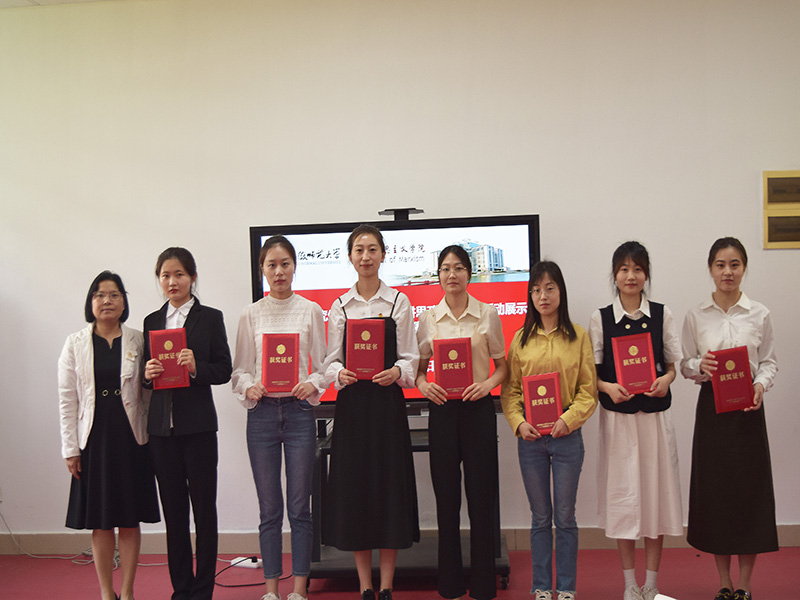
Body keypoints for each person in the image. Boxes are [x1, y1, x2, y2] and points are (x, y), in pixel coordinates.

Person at [322, 224, 420, 600]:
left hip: (387, 407)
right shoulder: (340, 305)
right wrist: (339, 374)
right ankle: (365, 585)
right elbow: (330, 361)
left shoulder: (398, 302)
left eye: (372, 249)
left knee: (389, 490)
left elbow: (410, 358)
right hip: (352, 409)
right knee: (356, 492)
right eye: (359, 249)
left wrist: (397, 372)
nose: (366, 256)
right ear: (350, 257)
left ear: (383, 255)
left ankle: (387, 584)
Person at [680, 237, 778, 600]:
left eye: (735, 264)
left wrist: (760, 385)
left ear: (744, 268)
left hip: (749, 411)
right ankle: (724, 582)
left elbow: (768, 361)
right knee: (716, 496)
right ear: (711, 269)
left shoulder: (760, 313)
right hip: (712, 412)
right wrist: (700, 365)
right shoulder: (696, 315)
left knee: (749, 495)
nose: (728, 272)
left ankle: (745, 585)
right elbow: (685, 364)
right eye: (720, 265)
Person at [232, 235, 327, 600]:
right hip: (262, 416)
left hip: (300, 413)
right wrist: (250, 386)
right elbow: (239, 371)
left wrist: (312, 382)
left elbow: (324, 366)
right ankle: (271, 589)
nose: (279, 271)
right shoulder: (251, 313)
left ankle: (299, 589)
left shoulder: (310, 310)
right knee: (269, 509)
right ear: (262, 270)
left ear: (294, 267)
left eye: (285, 263)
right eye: (271, 265)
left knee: (300, 507)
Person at [588, 242, 682, 600]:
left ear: (646, 275)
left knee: (655, 499)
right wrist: (608, 387)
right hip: (619, 422)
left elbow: (672, 366)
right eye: (624, 269)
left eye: (638, 269)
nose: (631, 276)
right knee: (624, 500)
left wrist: (665, 380)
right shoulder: (601, 318)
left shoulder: (661, 313)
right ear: (615, 275)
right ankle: (630, 584)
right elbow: (592, 374)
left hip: (654, 420)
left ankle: (651, 585)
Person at [59, 271, 160, 600]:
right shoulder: (75, 343)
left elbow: (148, 392)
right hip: (94, 440)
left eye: (114, 295)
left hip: (131, 438)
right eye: (100, 295)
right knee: (101, 521)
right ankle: (106, 592)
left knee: (129, 519)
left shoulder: (138, 340)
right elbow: (67, 400)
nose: (107, 301)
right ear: (91, 302)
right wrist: (70, 449)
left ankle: (127, 591)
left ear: (123, 302)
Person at [500, 261, 597, 600]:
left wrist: (568, 420)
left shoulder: (578, 336)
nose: (543, 296)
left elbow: (588, 390)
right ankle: (542, 586)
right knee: (540, 517)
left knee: (565, 517)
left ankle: (566, 587)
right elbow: (510, 391)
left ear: (561, 292)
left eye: (550, 288)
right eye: (537, 290)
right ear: (530, 296)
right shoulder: (520, 340)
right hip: (531, 440)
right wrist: (518, 422)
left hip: (567, 438)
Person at [415, 245, 507, 600]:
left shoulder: (487, 314)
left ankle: (483, 584)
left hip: (478, 409)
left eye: (458, 268)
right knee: (447, 498)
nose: (451, 274)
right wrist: (425, 386)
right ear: (438, 275)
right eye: (445, 268)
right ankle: (450, 583)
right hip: (443, 411)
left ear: (469, 273)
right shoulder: (429, 319)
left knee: (481, 498)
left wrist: (487, 385)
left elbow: (502, 367)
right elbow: (419, 371)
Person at [143, 247, 232, 600]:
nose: (172, 281)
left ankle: (202, 590)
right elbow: (145, 377)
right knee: (174, 514)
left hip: (198, 429)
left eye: (179, 274)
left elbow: (223, 369)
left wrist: (196, 368)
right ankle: (181, 590)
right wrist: (148, 374)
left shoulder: (209, 318)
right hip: (161, 431)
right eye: (165, 275)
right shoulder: (152, 321)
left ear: (192, 277)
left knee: (204, 512)